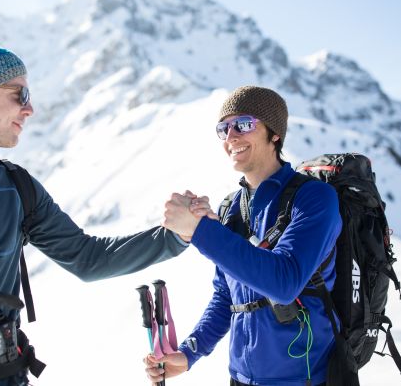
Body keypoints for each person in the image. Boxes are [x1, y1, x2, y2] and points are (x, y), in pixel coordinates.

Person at [0, 42, 211, 386]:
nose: (31, 109)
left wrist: (176, 234)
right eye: (19, 94)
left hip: (7, 376)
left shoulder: (17, 185)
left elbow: (88, 258)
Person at [145, 86, 342, 386]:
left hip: (304, 381)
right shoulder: (231, 208)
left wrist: (199, 230)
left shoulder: (314, 198)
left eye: (244, 124)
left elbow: (284, 282)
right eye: (223, 128)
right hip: (240, 379)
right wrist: (188, 354)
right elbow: (227, 298)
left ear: (275, 133)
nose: (231, 137)